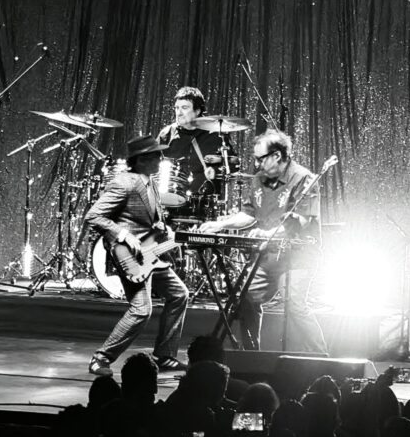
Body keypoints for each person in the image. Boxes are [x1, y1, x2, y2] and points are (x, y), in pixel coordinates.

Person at [196, 129, 326, 352]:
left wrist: (268, 234)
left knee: (294, 304)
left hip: (298, 257)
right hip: (268, 257)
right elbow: (249, 214)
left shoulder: (304, 178)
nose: (256, 165)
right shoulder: (259, 179)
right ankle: (251, 353)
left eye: (260, 159)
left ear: (277, 155)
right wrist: (221, 224)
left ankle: (321, 356)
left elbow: (300, 222)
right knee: (246, 298)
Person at [84, 135, 190, 376]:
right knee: (141, 309)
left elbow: (150, 219)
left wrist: (162, 228)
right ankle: (100, 359)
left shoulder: (149, 182)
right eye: (156, 155)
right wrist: (123, 234)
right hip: (130, 256)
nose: (161, 158)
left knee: (179, 293)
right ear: (141, 159)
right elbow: (94, 216)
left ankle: (165, 355)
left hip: (151, 253)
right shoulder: (125, 183)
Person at [156, 86, 228, 200]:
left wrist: (215, 171)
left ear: (198, 111)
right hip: (169, 199)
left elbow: (233, 163)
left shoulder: (215, 135)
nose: (178, 113)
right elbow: (152, 165)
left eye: (184, 108)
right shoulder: (166, 134)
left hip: (204, 201)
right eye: (176, 108)